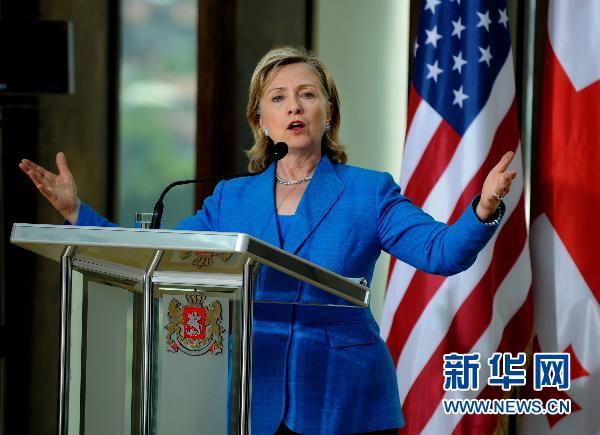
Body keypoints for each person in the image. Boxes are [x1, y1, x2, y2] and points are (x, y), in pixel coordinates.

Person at [20, 46, 516, 434]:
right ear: (260, 119)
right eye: (277, 97)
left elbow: (440, 252)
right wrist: (77, 214)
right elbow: (156, 256)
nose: (293, 105)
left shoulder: (368, 192)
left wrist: (483, 208)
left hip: (345, 399)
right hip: (254, 399)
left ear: (328, 112)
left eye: (307, 94)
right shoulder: (231, 198)